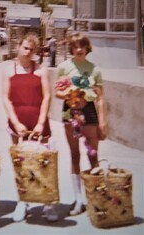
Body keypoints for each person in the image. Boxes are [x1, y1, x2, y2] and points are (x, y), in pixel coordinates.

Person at [2, 33, 59, 222]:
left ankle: (48, 204)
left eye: (32, 50)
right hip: (17, 122)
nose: (28, 52)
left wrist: (41, 122)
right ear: (18, 47)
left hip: (38, 120)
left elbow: (47, 97)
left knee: (43, 163)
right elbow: (6, 98)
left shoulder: (42, 71)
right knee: (21, 164)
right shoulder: (8, 70)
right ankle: (23, 201)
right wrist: (15, 122)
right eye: (25, 48)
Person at [55, 33, 107, 216]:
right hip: (70, 112)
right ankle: (78, 200)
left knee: (93, 156)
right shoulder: (63, 67)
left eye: (82, 46)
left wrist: (102, 122)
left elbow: (100, 98)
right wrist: (73, 95)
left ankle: (97, 199)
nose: (79, 49)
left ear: (87, 48)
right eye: (75, 46)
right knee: (75, 155)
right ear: (71, 48)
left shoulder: (94, 69)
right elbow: (57, 93)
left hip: (90, 112)